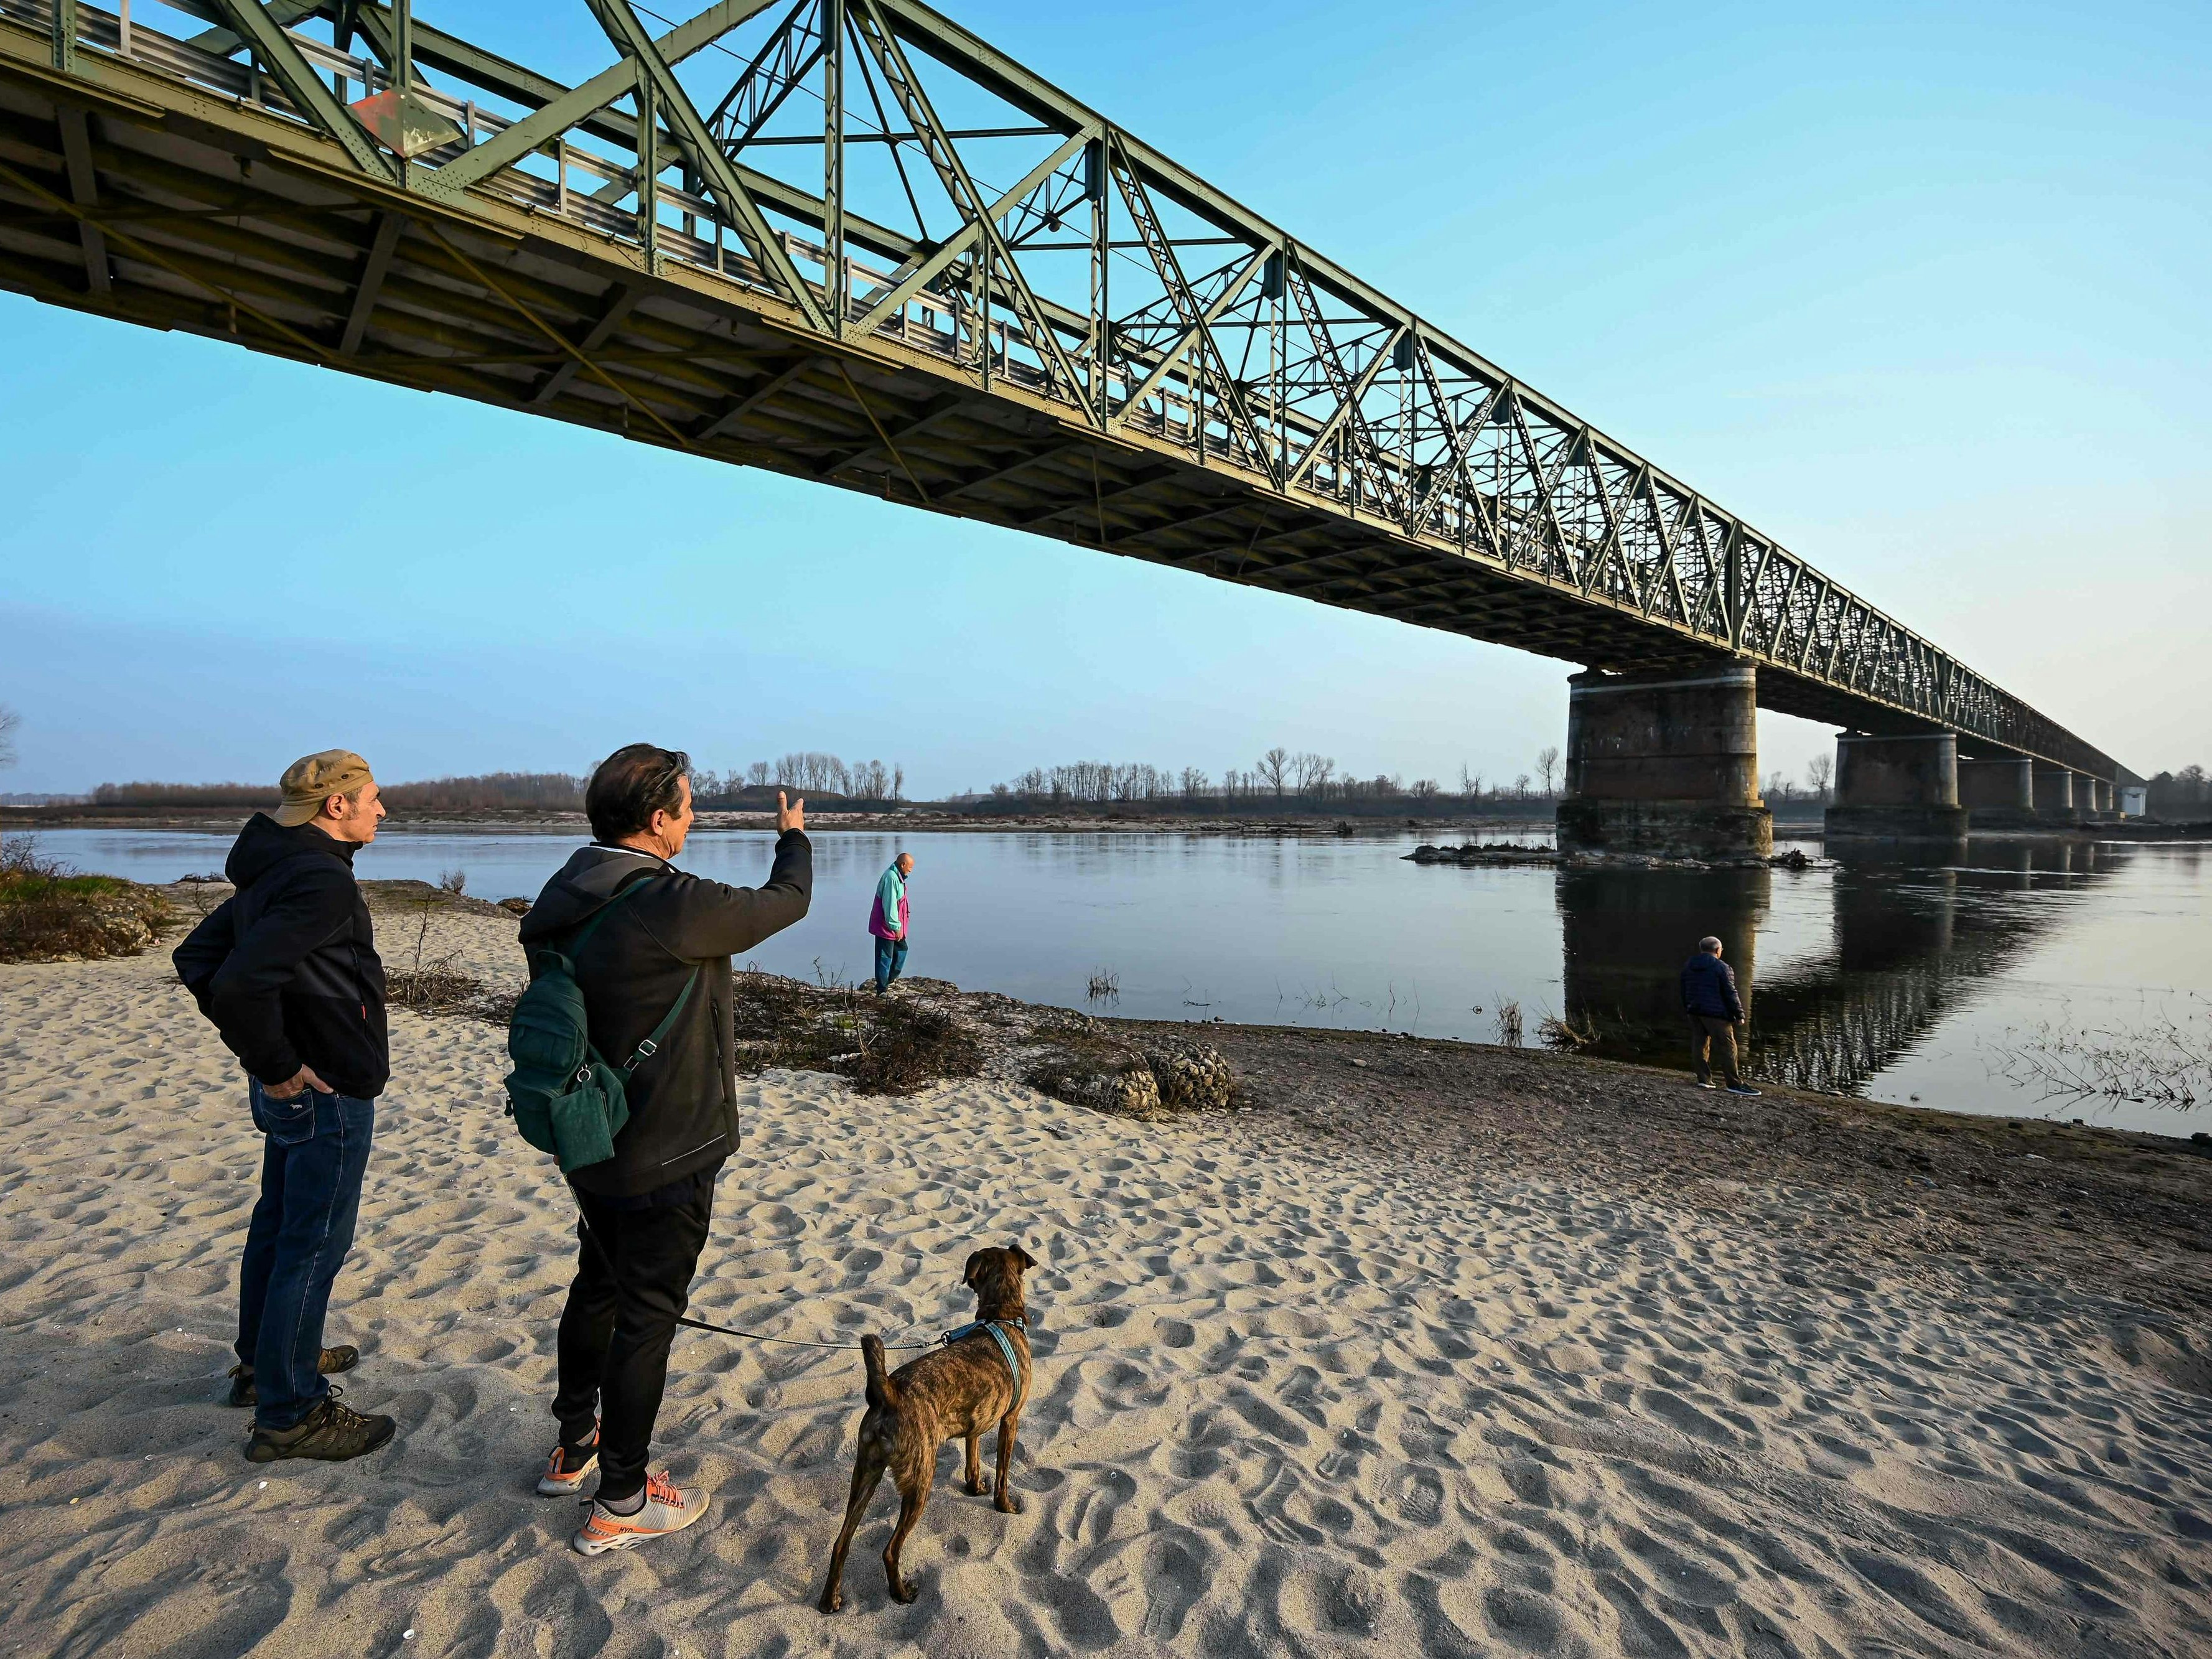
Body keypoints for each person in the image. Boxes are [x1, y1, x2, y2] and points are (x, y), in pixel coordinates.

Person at [518, 744, 810, 1555]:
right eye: (688, 805)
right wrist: (792, 834)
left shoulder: (565, 891)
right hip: (664, 1145)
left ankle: (572, 1444)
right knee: (647, 1317)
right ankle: (620, 1496)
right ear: (658, 819)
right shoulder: (668, 904)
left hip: (588, 1133)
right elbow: (784, 902)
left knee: (599, 1286)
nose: (694, 816)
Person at [173, 749, 397, 1463]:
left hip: (300, 1083)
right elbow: (231, 981)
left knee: (277, 1225)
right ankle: (291, 1409)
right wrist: (277, 1062)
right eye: (373, 798)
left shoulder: (277, 867)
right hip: (321, 1089)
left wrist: (272, 1052)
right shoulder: (317, 879)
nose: (381, 810)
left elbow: (198, 959)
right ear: (337, 806)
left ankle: (261, 1364)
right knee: (313, 1243)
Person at [1680, 934, 1760, 1096]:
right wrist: (1739, 1014)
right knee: (1728, 1047)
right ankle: (1734, 1083)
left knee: (1700, 1044)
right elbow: (1731, 993)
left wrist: (1688, 1007)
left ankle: (1704, 1080)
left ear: (1702, 949)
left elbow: (1684, 989)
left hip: (1694, 1010)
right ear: (1718, 950)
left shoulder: (1689, 965)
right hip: (1716, 1014)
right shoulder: (1722, 967)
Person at [869, 851, 913, 994]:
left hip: (896, 927)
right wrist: (895, 926)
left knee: (902, 950)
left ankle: (891, 980)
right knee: (884, 957)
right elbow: (890, 905)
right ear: (903, 865)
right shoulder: (891, 878)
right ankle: (882, 990)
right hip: (887, 927)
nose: (911, 870)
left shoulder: (899, 878)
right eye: (910, 867)